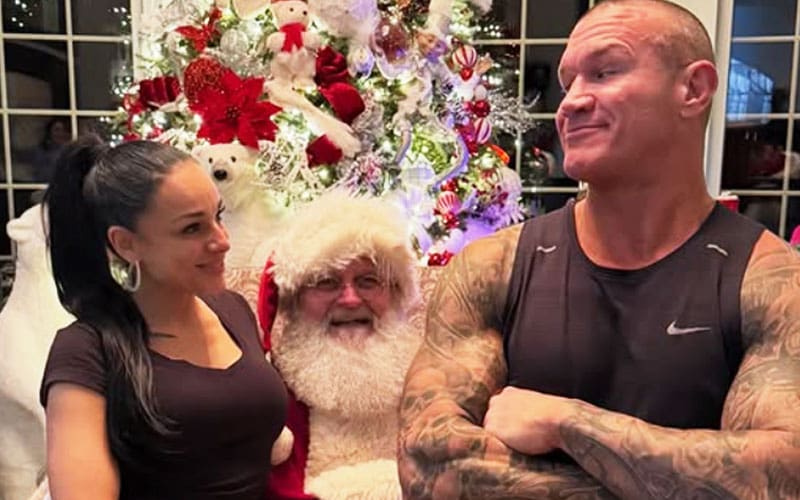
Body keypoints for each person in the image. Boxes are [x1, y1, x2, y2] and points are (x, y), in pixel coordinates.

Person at [398, 0, 800, 498]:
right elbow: (428, 463)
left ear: (693, 89)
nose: (570, 103)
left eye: (605, 72)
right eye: (569, 83)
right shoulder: (493, 267)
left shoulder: (772, 280)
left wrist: (567, 423)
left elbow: (782, 477)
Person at [40, 137, 288, 499]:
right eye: (192, 228)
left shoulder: (233, 309)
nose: (222, 240)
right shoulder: (87, 350)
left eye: (218, 216)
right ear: (126, 244)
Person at [261, 192, 423, 499]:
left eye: (368, 281)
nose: (350, 299)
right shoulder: (273, 392)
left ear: (396, 293)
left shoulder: (432, 376)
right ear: (294, 300)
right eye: (326, 282)